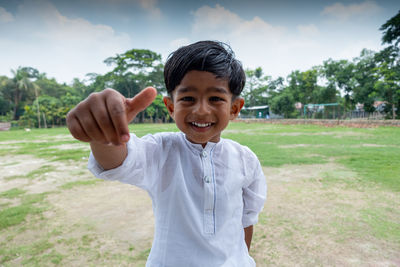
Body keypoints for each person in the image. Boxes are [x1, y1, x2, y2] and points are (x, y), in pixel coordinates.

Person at [66, 40, 267, 266]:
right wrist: (104, 135)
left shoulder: (245, 159)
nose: (201, 110)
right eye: (188, 98)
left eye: (215, 99)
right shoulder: (161, 151)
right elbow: (118, 161)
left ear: (234, 108)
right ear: (171, 107)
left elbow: (246, 220)